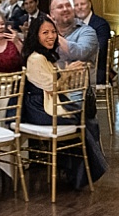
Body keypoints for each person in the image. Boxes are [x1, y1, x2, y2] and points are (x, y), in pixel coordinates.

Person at [20, 15, 108, 190]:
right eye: (45, 33)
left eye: (53, 32)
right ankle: (81, 174)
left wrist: (68, 73)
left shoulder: (46, 56)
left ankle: (78, 173)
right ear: (35, 35)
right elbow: (52, 87)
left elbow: (57, 86)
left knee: (86, 117)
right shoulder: (36, 58)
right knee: (81, 120)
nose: (51, 36)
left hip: (47, 101)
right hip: (38, 107)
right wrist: (67, 71)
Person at [73, 0, 112, 84]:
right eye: (76, 5)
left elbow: (99, 50)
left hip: (95, 69)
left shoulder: (101, 24)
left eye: (82, 4)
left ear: (89, 4)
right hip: (76, 67)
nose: (79, 7)